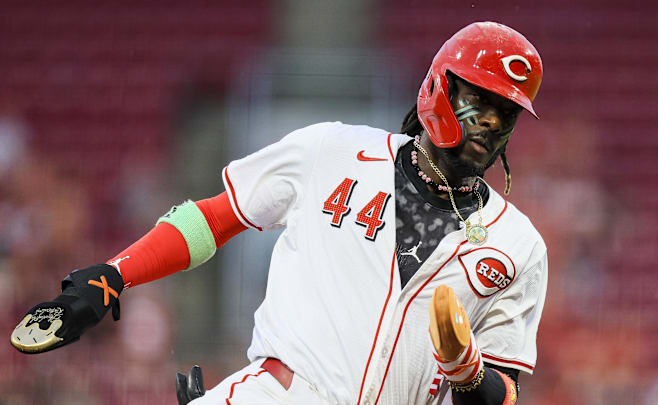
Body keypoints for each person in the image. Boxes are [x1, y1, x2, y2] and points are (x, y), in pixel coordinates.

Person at [11, 22, 547, 405]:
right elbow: (219, 218)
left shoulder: (518, 246)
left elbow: (506, 394)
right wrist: (115, 275)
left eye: (506, 113)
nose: (490, 124)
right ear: (439, 87)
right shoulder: (332, 151)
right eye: (479, 100)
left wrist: (468, 372)